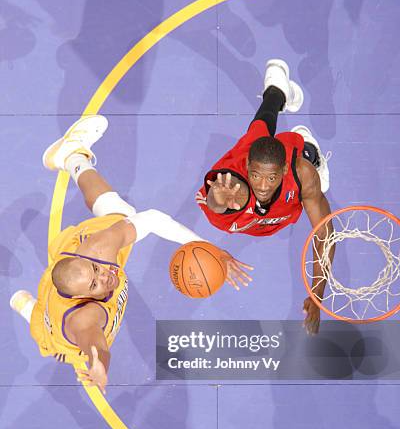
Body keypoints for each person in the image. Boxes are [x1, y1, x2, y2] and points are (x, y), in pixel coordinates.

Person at [10, 117, 253, 393]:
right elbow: (94, 343)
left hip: (66, 283)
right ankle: (29, 308)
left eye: (96, 270)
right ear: (81, 297)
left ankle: (72, 156)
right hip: (67, 335)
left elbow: (152, 220)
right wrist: (98, 364)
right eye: (95, 284)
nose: (106, 275)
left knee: (121, 216)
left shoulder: (98, 251)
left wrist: (210, 248)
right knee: (48, 335)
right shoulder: (83, 318)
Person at [195, 59, 333, 334]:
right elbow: (217, 202)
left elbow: (325, 235)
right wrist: (217, 200)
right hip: (251, 164)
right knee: (260, 126)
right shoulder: (233, 189)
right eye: (256, 176)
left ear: (283, 170)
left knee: (297, 153)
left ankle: (304, 142)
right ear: (247, 169)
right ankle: (277, 88)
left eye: (272, 178)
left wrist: (317, 293)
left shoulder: (300, 174)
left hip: (292, 162)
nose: (263, 185)